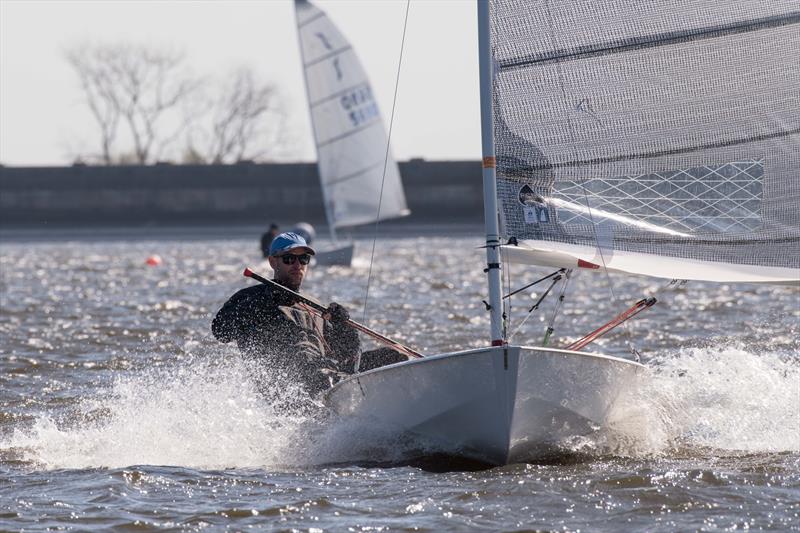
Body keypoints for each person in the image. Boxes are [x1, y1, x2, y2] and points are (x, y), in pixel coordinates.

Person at [213, 232, 361, 403]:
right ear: (273, 262)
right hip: (286, 395)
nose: (297, 265)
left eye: (303, 259)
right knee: (321, 375)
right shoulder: (251, 297)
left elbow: (349, 357)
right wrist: (263, 304)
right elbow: (220, 331)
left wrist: (344, 325)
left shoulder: (315, 306)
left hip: (327, 380)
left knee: (391, 356)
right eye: (289, 259)